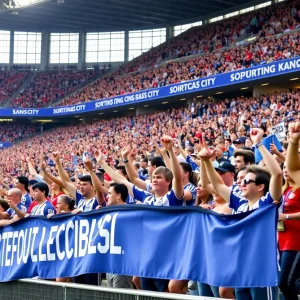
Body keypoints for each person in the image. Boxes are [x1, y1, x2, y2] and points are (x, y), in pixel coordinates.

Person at [199, 128, 281, 299]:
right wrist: (206, 161)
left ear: (260, 186)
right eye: (241, 181)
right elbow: (217, 184)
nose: (241, 184)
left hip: (261, 268)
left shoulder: (266, 203)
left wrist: (259, 144)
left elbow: (277, 174)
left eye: (247, 181)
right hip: (241, 267)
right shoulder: (240, 203)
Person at [105, 183, 134, 289]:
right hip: (110, 265)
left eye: (109, 193)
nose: (106, 196)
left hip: (122, 265)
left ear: (118, 196)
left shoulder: (130, 213)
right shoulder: (107, 213)